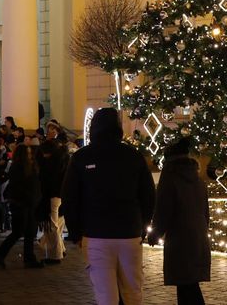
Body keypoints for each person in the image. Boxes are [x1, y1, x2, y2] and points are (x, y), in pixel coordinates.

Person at [60, 107, 155, 305]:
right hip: (129, 232)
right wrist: (143, 225)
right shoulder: (133, 156)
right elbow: (148, 195)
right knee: (133, 292)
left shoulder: (82, 157)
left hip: (96, 234)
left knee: (105, 295)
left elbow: (70, 198)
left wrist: (76, 232)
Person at [149, 138, 210, 305]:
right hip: (198, 236)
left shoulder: (170, 178)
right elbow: (206, 211)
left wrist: (155, 233)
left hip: (179, 238)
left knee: (186, 286)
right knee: (189, 284)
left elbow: (163, 209)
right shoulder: (197, 179)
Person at [0, 142, 43, 268]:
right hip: (22, 203)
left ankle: (27, 258)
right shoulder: (19, 168)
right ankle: (2, 252)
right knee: (19, 231)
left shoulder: (27, 167)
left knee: (27, 232)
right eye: (29, 153)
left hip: (28, 203)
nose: (31, 156)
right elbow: (20, 187)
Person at [36, 120, 70, 264]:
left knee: (52, 226)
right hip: (60, 194)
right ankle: (60, 249)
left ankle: (55, 255)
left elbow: (49, 178)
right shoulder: (63, 157)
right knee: (56, 224)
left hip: (52, 194)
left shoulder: (52, 163)